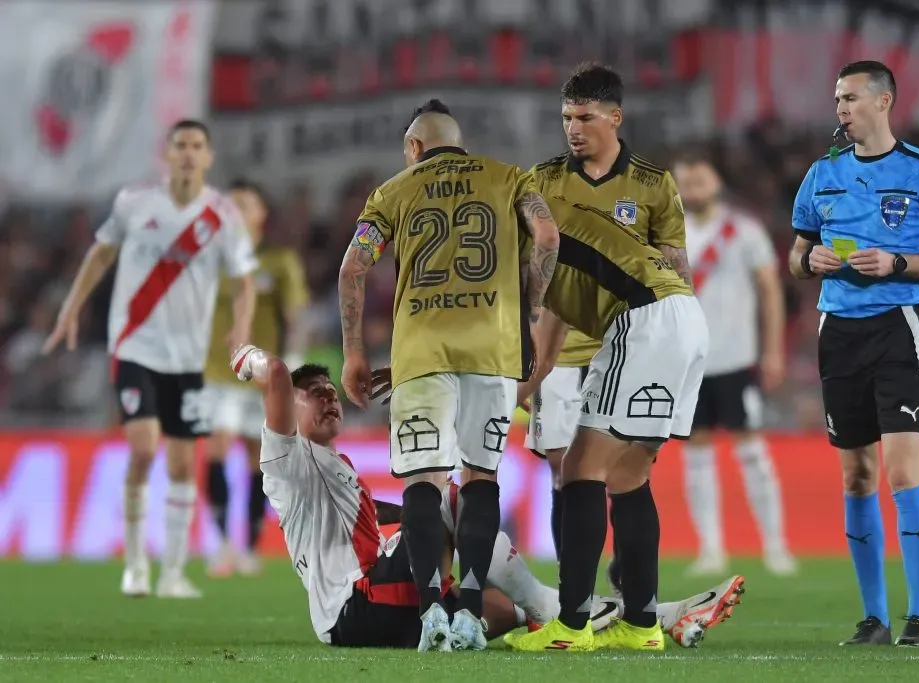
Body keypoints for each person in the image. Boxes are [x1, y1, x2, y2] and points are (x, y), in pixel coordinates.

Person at [228, 346, 746, 649]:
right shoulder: (287, 458)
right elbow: (275, 374)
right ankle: (562, 609)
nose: (328, 397)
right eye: (313, 393)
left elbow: (375, 515)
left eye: (330, 390)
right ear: (288, 409)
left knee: (502, 610)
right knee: (447, 497)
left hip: (365, 613)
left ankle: (659, 618)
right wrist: (246, 357)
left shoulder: (333, 466)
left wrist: (406, 516)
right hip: (356, 604)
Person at [337, 99, 560, 651]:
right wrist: (532, 316)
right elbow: (548, 237)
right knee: (480, 478)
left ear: (414, 147)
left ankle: (432, 611)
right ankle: (471, 613)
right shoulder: (509, 178)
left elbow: (352, 268)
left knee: (424, 482)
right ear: (459, 143)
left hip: (421, 354)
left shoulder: (393, 191)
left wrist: (353, 353)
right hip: (492, 352)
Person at [789, 61, 919, 647]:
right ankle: (873, 618)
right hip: (838, 329)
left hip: (898, 326)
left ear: (883, 101)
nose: (841, 109)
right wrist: (809, 261)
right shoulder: (821, 174)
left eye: (850, 98)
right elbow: (796, 254)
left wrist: (900, 263)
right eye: (837, 99)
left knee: (900, 472)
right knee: (856, 476)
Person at [43, 119, 257, 598]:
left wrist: (241, 328)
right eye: (180, 145)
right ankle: (136, 565)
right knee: (142, 449)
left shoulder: (222, 215)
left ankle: (174, 574)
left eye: (197, 145)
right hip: (135, 347)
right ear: (168, 154)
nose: (188, 153)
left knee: (182, 466)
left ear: (209, 157)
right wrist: (71, 307)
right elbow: (101, 254)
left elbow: (244, 281)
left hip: (188, 360)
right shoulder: (134, 202)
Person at [507, 199, 710, 652]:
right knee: (628, 476)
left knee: (580, 468)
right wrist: (523, 390)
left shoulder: (531, 232)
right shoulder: (573, 227)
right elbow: (554, 333)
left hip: (643, 319)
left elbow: (541, 303)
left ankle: (571, 626)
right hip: (684, 316)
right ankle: (641, 625)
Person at [524, 63, 691, 564]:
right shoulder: (541, 181)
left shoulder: (653, 185)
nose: (573, 128)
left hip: (631, 350)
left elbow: (676, 268)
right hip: (559, 350)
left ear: (615, 117)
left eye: (585, 117)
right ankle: (573, 590)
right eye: (566, 118)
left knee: (627, 475)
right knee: (563, 471)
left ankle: (627, 580)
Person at [673, 156, 797, 577]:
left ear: (717, 182)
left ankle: (775, 546)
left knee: (752, 453)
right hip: (689, 363)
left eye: (700, 178)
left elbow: (770, 289)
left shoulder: (743, 230)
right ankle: (710, 549)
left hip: (737, 359)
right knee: (697, 456)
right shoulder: (668, 232)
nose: (693, 186)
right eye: (686, 180)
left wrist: (773, 350)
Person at [204, 179, 310, 577]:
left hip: (260, 374)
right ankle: (222, 544)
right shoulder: (210, 260)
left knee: (256, 459)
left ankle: (247, 546)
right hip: (216, 371)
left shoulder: (279, 261)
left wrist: (293, 363)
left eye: (244, 204)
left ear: (261, 213)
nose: (235, 211)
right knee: (216, 448)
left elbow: (296, 316)